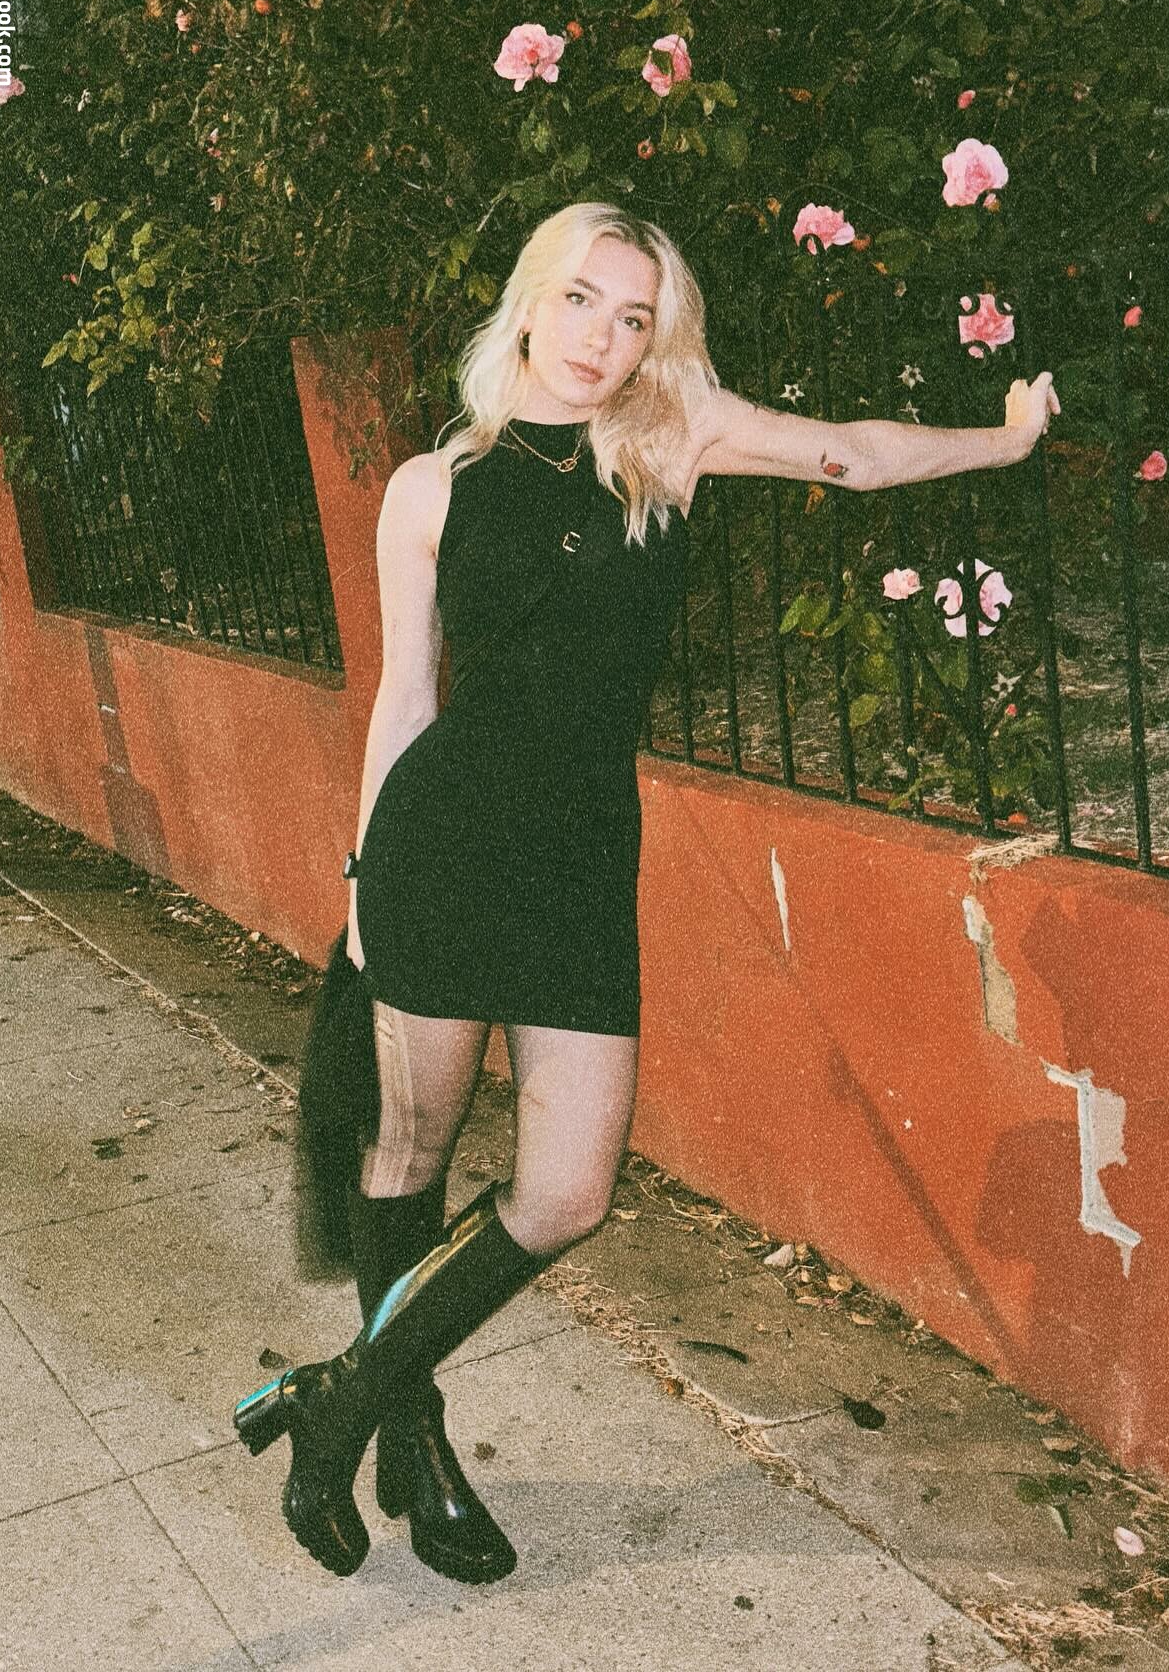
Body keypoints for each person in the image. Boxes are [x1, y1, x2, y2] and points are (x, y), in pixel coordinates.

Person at [232, 201, 1060, 1583]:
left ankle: (340, 1397)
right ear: (528, 301)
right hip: (443, 847)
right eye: (580, 301)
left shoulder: (668, 443)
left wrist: (1006, 439)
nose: (600, 340)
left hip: (575, 862)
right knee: (410, 1157)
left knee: (566, 1192)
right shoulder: (431, 487)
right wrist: (365, 876)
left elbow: (853, 454)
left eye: (633, 317)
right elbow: (405, 696)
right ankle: (410, 1443)